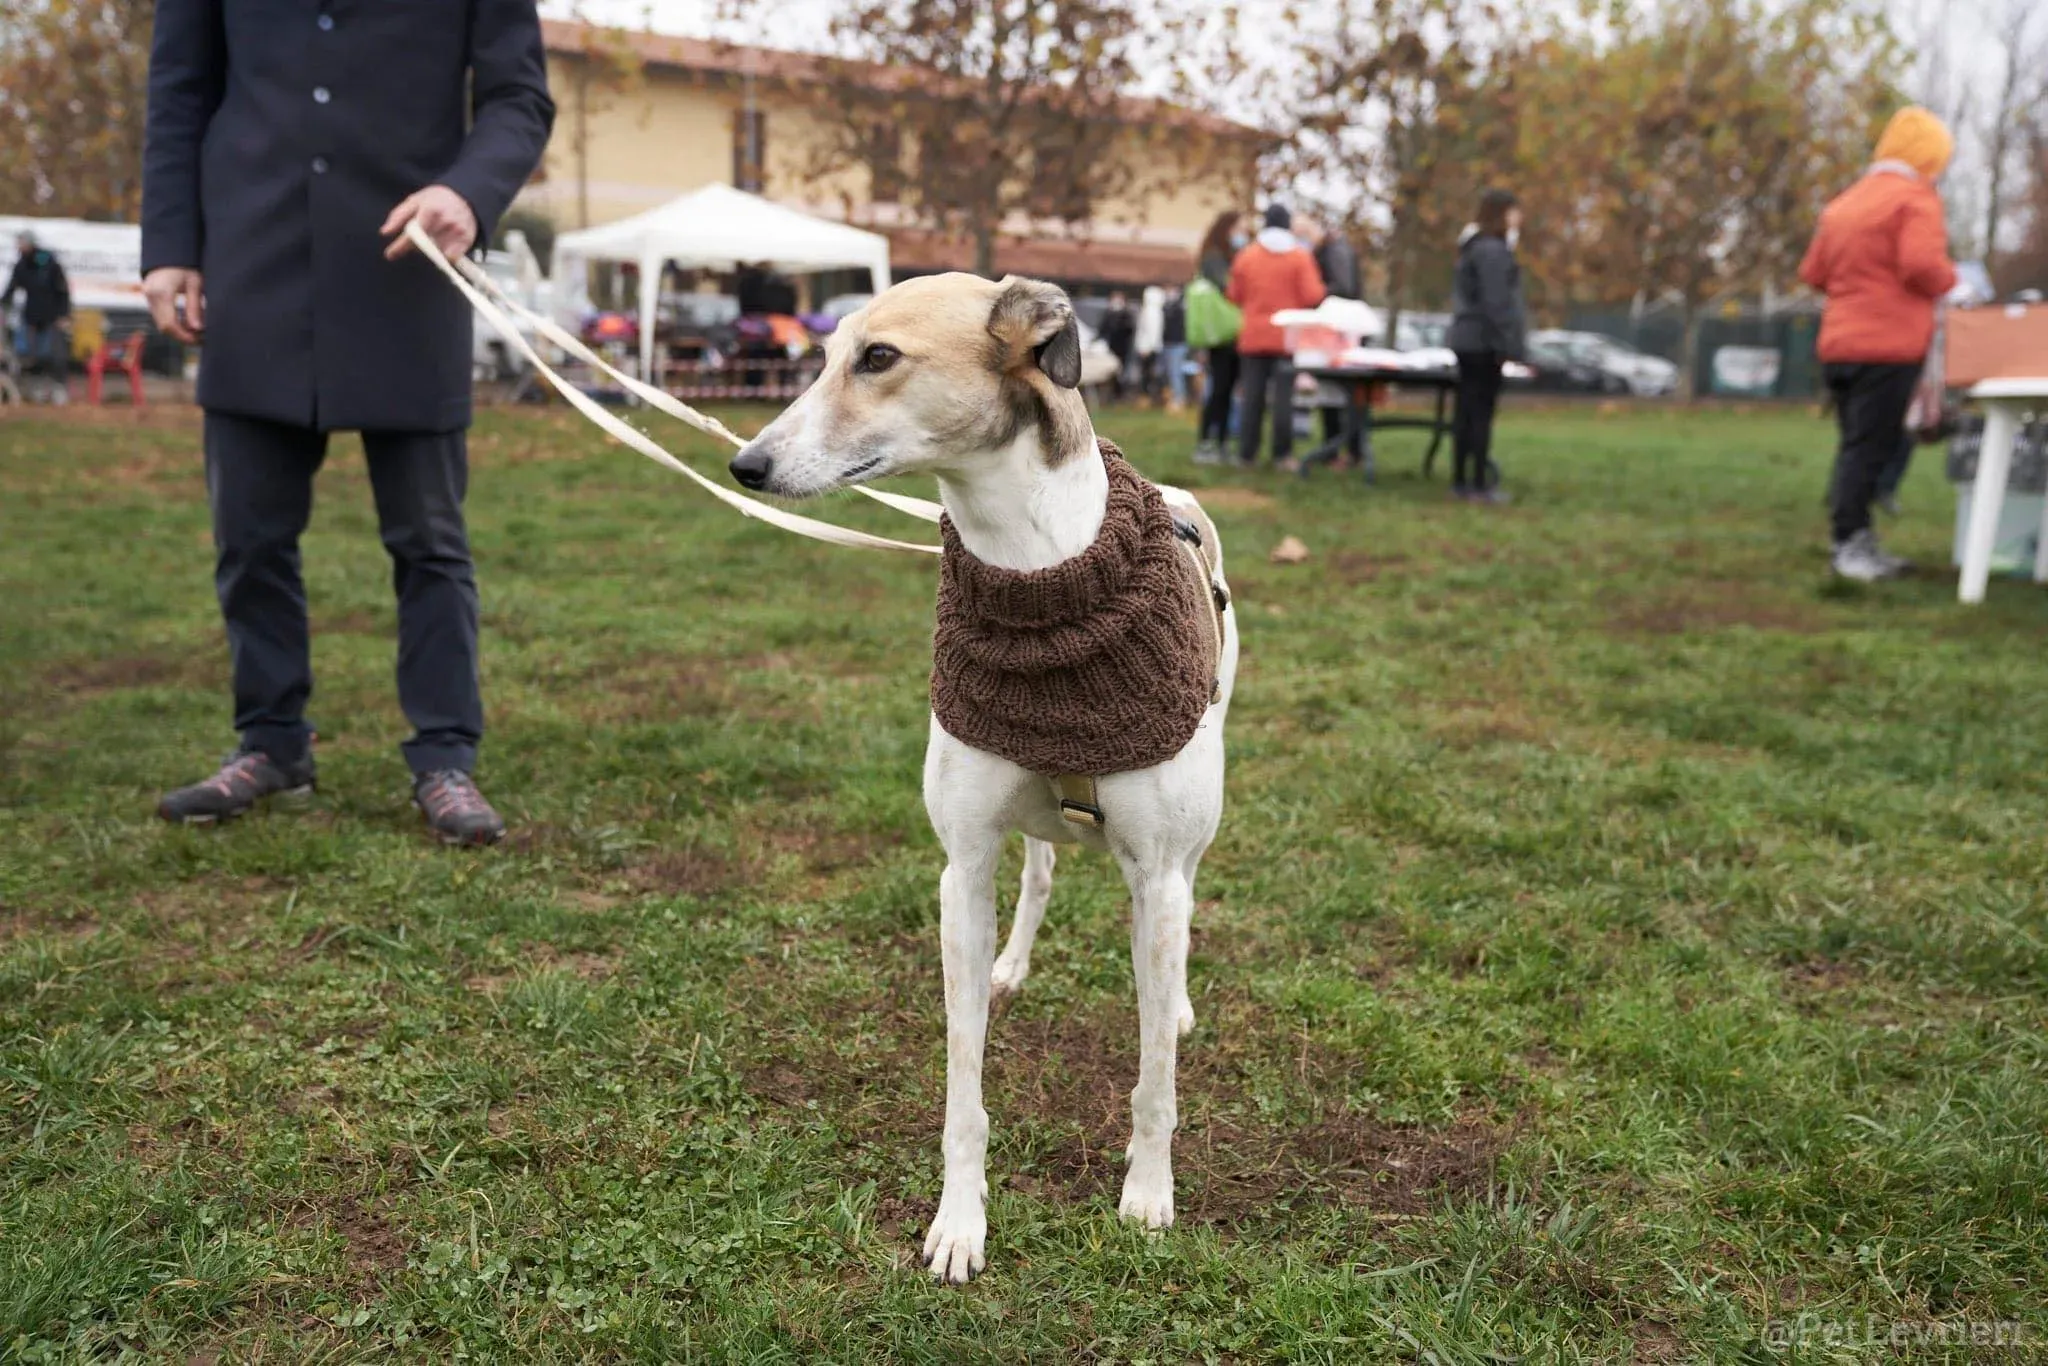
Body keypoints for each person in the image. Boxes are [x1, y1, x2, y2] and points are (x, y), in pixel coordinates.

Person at [142, 0, 556, 842]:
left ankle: (445, 756)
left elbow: (520, 99)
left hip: (411, 268)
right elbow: (180, 91)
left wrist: (468, 193)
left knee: (429, 540)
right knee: (249, 537)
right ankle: (271, 743)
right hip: (251, 265)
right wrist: (169, 245)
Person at [1799, 106, 1958, 582]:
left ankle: (1856, 538)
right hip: (1890, 346)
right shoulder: (1916, 200)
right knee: (1873, 449)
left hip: (1839, 345)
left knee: (1856, 445)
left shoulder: (1844, 203)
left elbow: (1814, 273)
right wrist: (1956, 281)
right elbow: (1920, 266)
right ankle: (1848, 545)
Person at [1228, 204, 1326, 468]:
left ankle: (1246, 454)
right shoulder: (1300, 257)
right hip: (1287, 339)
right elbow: (1313, 295)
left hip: (1253, 336)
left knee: (1252, 398)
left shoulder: (1247, 255)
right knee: (1283, 400)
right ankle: (1282, 455)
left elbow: (1233, 294)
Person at [1446, 189, 1527, 503]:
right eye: (1514, 211)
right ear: (1502, 213)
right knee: (1481, 413)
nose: (1519, 218)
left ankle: (1460, 481)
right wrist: (1509, 343)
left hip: (1467, 338)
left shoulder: (1472, 248)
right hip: (1484, 341)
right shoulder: (1494, 251)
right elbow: (1498, 302)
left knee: (1464, 411)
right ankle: (1478, 483)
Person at [1297, 215, 1365, 467]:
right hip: (1336, 333)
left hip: (1341, 335)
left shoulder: (1335, 251)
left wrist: (1316, 294)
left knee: (1344, 396)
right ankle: (1334, 449)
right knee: (1333, 395)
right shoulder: (1334, 249)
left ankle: (1348, 451)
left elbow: (1344, 287)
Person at [1192, 210, 1246, 461]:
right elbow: (1228, 288)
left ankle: (1222, 442)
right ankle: (1207, 443)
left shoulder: (1230, 255)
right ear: (1227, 229)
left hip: (1234, 335)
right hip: (1221, 335)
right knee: (1219, 390)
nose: (1243, 234)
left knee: (1227, 390)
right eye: (1239, 229)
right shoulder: (1214, 258)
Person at [3, 230, 72, 395]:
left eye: (22, 243)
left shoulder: (49, 262)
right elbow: (11, 289)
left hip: (52, 317)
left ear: (30, 243)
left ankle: (58, 388)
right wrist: (3, 305)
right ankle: (38, 388)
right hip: (32, 317)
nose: (19, 247)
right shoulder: (22, 264)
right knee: (31, 355)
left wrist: (64, 314)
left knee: (53, 355)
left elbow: (62, 290)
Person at [1100, 291, 1137, 400]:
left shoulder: (1127, 314)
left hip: (1123, 348)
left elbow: (1129, 330)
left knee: (1121, 372)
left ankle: (1120, 393)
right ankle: (1113, 393)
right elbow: (1102, 329)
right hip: (1110, 348)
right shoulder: (1108, 313)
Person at [1160, 286, 1189, 412]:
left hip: (1178, 343)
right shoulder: (1166, 306)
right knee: (1171, 373)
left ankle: (1179, 398)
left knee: (1175, 372)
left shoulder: (1180, 307)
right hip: (1168, 343)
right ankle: (1174, 398)